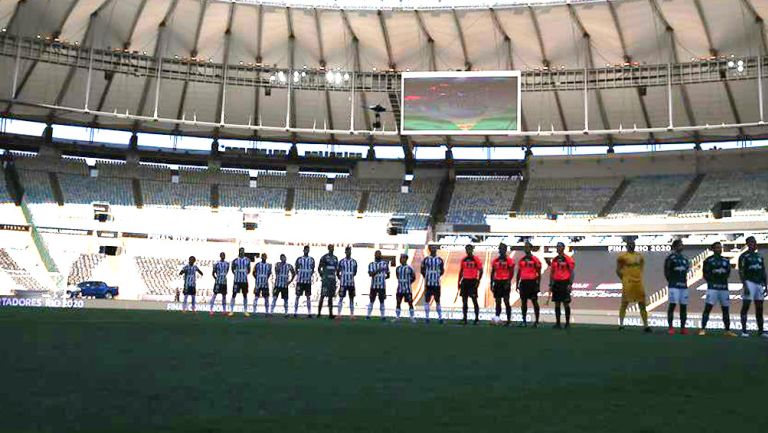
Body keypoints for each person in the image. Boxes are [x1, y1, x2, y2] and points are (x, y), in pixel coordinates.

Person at [699, 242, 736, 336]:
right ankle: (702, 329)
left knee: (725, 309)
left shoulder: (725, 260)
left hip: (724, 288)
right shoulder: (708, 260)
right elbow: (705, 274)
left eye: (720, 247)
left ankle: (727, 330)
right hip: (713, 288)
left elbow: (727, 273)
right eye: (717, 247)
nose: (719, 249)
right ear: (713, 249)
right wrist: (712, 282)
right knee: (708, 308)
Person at [617, 239, 650, 332]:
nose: (632, 245)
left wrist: (638, 276)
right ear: (627, 246)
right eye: (630, 244)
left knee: (642, 304)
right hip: (628, 283)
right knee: (624, 303)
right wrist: (624, 279)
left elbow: (641, 267)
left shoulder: (640, 256)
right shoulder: (622, 257)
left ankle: (646, 326)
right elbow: (618, 270)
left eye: (633, 244)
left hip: (638, 283)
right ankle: (621, 324)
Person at [738, 236, 767, 337]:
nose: (753, 244)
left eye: (754, 242)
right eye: (751, 242)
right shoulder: (743, 256)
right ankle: (744, 331)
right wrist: (745, 285)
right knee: (746, 306)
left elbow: (763, 271)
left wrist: (766, 285)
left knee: (759, 308)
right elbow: (741, 272)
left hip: (759, 284)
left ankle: (761, 331)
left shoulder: (759, 256)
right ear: (747, 244)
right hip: (749, 282)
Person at [664, 240, 690, 335]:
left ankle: (683, 328)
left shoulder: (685, 258)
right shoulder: (670, 258)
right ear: (674, 247)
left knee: (683, 307)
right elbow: (666, 271)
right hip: (674, 286)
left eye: (682, 245)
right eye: (679, 245)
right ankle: (670, 327)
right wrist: (671, 281)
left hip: (683, 286)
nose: (681, 247)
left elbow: (686, 270)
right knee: (672, 305)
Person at [549, 242, 574, 329]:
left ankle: (567, 323)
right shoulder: (555, 259)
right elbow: (552, 272)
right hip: (556, 283)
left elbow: (571, 272)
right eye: (557, 247)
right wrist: (550, 283)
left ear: (563, 248)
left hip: (565, 282)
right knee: (557, 303)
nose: (557, 248)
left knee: (566, 303)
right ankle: (558, 323)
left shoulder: (568, 259)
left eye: (559, 247)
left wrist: (570, 284)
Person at [516, 241, 542, 327]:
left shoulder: (535, 259)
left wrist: (538, 284)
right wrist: (517, 284)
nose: (526, 248)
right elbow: (519, 272)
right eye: (525, 247)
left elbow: (539, 272)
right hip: (523, 283)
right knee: (523, 302)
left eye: (527, 247)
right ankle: (524, 321)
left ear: (531, 248)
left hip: (532, 283)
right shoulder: (522, 260)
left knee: (534, 301)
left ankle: (537, 321)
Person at [458, 244, 483, 325]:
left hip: (472, 281)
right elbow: (461, 271)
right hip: (465, 281)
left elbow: (481, 270)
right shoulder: (464, 259)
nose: (468, 251)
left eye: (469, 249)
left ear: (472, 250)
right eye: (467, 249)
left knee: (474, 300)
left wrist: (478, 280)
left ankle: (476, 319)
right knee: (464, 301)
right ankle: (464, 318)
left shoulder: (476, 259)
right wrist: (459, 282)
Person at [490, 243, 514, 326]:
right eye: (500, 248)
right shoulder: (495, 260)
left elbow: (511, 272)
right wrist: (491, 283)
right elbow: (493, 272)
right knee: (497, 302)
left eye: (502, 248)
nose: (501, 250)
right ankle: (497, 319)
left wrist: (508, 282)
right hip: (497, 282)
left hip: (505, 282)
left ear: (505, 249)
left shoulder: (509, 260)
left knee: (506, 301)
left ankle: (509, 320)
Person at [421, 244, 445, 324]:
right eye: (432, 248)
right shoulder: (426, 259)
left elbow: (442, 271)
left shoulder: (440, 260)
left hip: (436, 284)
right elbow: (422, 270)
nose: (434, 249)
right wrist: (427, 277)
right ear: (430, 249)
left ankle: (440, 317)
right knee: (427, 300)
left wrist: (436, 276)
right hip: (428, 284)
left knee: (438, 301)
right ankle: (427, 317)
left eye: (435, 248)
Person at [366, 250, 390, 320]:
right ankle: (368, 315)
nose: (378, 255)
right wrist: (378, 270)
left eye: (379, 254)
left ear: (381, 255)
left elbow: (388, 275)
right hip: (373, 285)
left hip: (382, 286)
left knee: (382, 300)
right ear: (374, 255)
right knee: (371, 300)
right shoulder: (371, 264)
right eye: (377, 254)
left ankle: (382, 316)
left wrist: (383, 278)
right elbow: (370, 274)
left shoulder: (384, 264)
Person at [318, 245, 339, 319]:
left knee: (330, 297)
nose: (332, 249)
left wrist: (338, 276)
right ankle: (319, 313)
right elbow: (319, 267)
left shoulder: (335, 258)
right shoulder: (324, 257)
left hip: (332, 280)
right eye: (330, 248)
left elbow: (337, 269)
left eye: (333, 248)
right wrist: (322, 275)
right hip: (326, 280)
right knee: (322, 296)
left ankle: (330, 314)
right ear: (328, 249)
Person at [294, 245, 315, 318]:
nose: (306, 251)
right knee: (297, 296)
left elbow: (312, 269)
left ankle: (309, 313)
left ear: (309, 251)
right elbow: (296, 268)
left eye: (308, 250)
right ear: (303, 250)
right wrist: (299, 275)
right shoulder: (299, 259)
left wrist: (309, 275)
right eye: (305, 250)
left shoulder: (311, 259)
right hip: (300, 281)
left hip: (307, 281)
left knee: (308, 297)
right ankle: (295, 312)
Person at [337, 246, 358, 318]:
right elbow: (338, 271)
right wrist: (340, 277)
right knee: (341, 297)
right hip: (343, 283)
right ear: (345, 252)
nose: (348, 253)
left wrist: (350, 276)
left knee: (351, 298)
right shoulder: (342, 261)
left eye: (349, 251)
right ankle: (339, 314)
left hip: (351, 283)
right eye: (347, 251)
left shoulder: (354, 262)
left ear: (350, 252)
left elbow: (355, 272)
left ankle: (352, 314)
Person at [229, 247, 251, 317]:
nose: (242, 252)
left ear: (244, 252)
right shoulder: (235, 260)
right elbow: (232, 269)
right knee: (234, 294)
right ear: (239, 251)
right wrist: (236, 274)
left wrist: (244, 274)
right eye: (240, 251)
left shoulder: (247, 260)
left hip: (244, 281)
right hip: (237, 281)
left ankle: (245, 311)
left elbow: (249, 269)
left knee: (245, 295)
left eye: (243, 251)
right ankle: (231, 311)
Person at [394, 253, 416, 322]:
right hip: (399, 289)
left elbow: (413, 277)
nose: (401, 259)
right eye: (401, 258)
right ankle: (397, 317)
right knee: (398, 302)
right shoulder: (398, 268)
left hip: (407, 289)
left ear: (406, 259)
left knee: (410, 303)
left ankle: (412, 317)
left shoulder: (410, 268)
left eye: (403, 258)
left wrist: (408, 283)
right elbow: (397, 276)